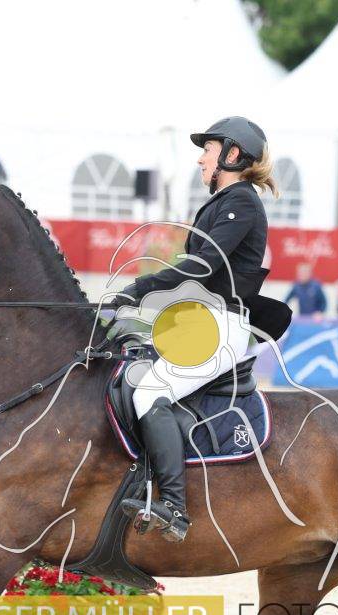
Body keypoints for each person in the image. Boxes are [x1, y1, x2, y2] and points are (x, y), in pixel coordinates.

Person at [108, 116, 292, 544]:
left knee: (149, 392)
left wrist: (138, 289)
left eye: (207, 151)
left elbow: (203, 266)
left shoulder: (242, 202)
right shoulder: (224, 202)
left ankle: (174, 507)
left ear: (232, 154)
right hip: (196, 322)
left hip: (220, 327)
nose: (200, 160)